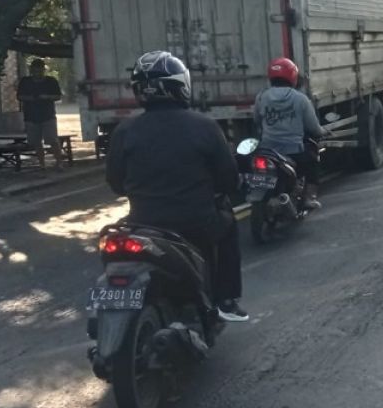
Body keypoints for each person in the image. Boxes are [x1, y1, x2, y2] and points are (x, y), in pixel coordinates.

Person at [106, 51, 248, 322]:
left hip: (142, 223)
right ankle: (226, 299)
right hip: (195, 224)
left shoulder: (125, 130)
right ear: (180, 85)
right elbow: (228, 180)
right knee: (229, 227)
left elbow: (115, 183)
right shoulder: (205, 127)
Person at [253, 58, 326, 211]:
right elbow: (313, 127)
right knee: (313, 161)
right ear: (293, 76)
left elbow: (257, 121)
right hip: (294, 151)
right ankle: (308, 198)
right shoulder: (301, 99)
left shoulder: (261, 97)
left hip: (268, 151)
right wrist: (322, 132)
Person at [16, 59, 65, 169]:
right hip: (31, 116)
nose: (37, 73)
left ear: (43, 70)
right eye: (35, 71)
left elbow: (58, 96)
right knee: (36, 142)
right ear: (31, 70)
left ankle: (59, 162)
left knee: (53, 140)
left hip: (48, 115)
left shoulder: (51, 81)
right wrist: (31, 98)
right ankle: (42, 164)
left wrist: (46, 97)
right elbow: (19, 96)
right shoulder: (25, 81)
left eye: (39, 70)